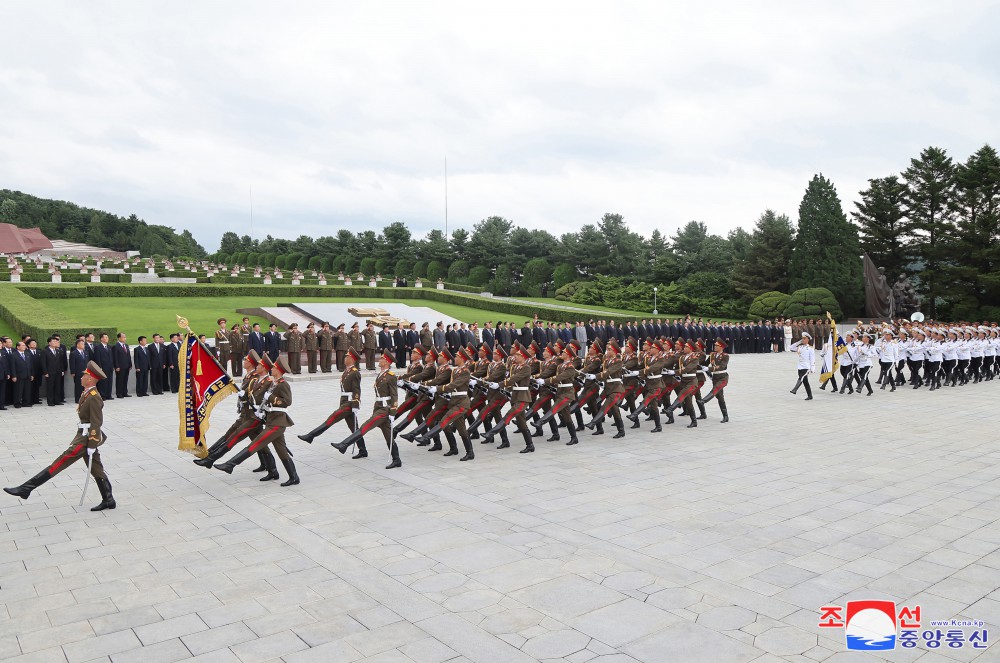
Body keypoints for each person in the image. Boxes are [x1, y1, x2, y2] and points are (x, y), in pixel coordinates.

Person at [4, 361, 116, 511]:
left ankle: (27, 488)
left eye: (84, 375)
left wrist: (92, 444)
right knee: (96, 468)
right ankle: (109, 500)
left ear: (90, 379)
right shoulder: (87, 393)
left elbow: (96, 422)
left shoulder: (94, 396)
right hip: (84, 436)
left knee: (60, 462)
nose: (81, 377)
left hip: (86, 440)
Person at [215, 356, 299, 487]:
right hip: (272, 420)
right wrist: (262, 409)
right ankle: (294, 477)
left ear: (278, 370)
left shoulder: (283, 384)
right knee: (281, 450)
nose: (272, 369)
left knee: (256, 444)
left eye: (274, 368)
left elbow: (287, 402)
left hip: (278, 423)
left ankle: (230, 464)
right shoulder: (274, 382)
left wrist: (271, 397)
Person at [333, 351, 401, 468]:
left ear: (387, 362)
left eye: (381, 359)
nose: (379, 360)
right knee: (388, 435)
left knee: (366, 426)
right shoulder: (381, 374)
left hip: (384, 410)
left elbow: (394, 395)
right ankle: (397, 459)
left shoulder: (391, 376)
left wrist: (393, 410)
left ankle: (344, 444)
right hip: (378, 407)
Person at [297, 348, 362, 446]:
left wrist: (355, 404)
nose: (345, 358)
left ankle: (311, 436)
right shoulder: (347, 371)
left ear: (352, 359)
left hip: (349, 403)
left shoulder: (355, 372)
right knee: (354, 428)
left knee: (332, 418)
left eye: (347, 357)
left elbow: (357, 390)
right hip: (344, 401)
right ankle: (363, 450)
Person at [697, 338, 730, 423]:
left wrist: (709, 368)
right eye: (715, 345)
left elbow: (721, 366)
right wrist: (696, 363)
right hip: (715, 378)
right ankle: (725, 416)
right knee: (720, 397)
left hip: (723, 377)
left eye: (716, 345)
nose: (714, 346)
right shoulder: (712, 355)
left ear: (721, 347)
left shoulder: (725, 356)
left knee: (715, 389)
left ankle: (703, 401)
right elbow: (704, 364)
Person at [43, 335, 68, 406]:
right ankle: (50, 401)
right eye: (53, 341)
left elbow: (61, 362)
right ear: (49, 343)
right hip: (50, 372)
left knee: (58, 386)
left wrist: (62, 370)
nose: (55, 342)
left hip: (58, 372)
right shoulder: (45, 351)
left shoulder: (58, 351)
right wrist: (45, 372)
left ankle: (57, 400)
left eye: (56, 341)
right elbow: (43, 363)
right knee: (50, 387)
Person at [789, 332, 815, 400]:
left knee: (801, 377)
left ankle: (795, 389)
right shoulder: (800, 347)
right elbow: (791, 348)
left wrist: (812, 368)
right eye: (802, 338)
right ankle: (810, 396)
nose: (803, 340)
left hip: (806, 367)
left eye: (804, 338)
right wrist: (799, 342)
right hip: (800, 366)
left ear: (808, 339)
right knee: (805, 382)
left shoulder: (810, 348)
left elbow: (812, 359)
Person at [10, 340, 32, 408]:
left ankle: (26, 402)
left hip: (27, 375)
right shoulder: (13, 355)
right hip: (18, 376)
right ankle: (17, 403)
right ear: (18, 347)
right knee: (18, 390)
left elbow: (30, 365)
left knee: (27, 390)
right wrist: (13, 376)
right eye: (22, 345)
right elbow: (12, 366)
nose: (24, 346)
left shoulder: (27, 354)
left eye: (24, 345)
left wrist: (31, 374)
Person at [93, 334, 114, 399]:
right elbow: (97, 358)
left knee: (109, 381)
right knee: (102, 382)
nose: (107, 338)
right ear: (101, 339)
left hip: (109, 367)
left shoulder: (109, 347)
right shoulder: (98, 347)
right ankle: (102, 395)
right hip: (103, 367)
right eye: (106, 337)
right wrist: (99, 367)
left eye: (107, 337)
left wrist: (112, 365)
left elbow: (111, 357)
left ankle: (108, 395)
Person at [70, 337, 90, 402]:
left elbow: (87, 362)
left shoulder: (86, 352)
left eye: (83, 344)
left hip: (86, 372)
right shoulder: (74, 353)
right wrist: (73, 372)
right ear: (77, 345)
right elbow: (72, 363)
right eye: (82, 344)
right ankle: (78, 399)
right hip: (78, 372)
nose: (83, 345)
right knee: (78, 386)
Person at [112, 332, 132, 398]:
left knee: (125, 380)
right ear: (119, 338)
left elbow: (128, 356)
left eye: (125, 337)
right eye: (123, 337)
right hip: (120, 367)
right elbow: (115, 357)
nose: (125, 338)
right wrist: (116, 366)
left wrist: (130, 364)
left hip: (126, 366)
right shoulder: (116, 346)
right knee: (119, 380)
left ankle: (124, 392)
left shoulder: (126, 345)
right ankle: (119, 393)